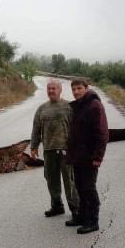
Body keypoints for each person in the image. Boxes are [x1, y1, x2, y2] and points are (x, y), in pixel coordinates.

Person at [30, 80, 80, 218]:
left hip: (66, 150)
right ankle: (57, 206)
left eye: (53, 88)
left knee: (69, 181)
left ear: (60, 90)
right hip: (49, 150)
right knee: (51, 179)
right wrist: (34, 146)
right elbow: (36, 128)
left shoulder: (69, 107)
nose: (51, 91)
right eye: (49, 88)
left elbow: (77, 128)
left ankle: (75, 208)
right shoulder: (42, 109)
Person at [66, 78, 109, 234]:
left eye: (79, 88)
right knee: (79, 187)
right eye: (74, 89)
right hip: (77, 156)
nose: (76, 92)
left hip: (90, 157)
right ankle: (82, 216)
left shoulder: (94, 106)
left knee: (89, 188)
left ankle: (93, 221)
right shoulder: (78, 106)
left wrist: (98, 157)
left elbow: (103, 133)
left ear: (86, 88)